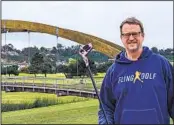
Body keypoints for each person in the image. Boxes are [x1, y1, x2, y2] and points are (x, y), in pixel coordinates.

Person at [98, 17, 174, 124]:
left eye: (135, 34)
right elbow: (106, 107)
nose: (131, 38)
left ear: (142, 36)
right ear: (121, 38)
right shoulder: (113, 71)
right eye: (127, 34)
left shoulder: (161, 64)